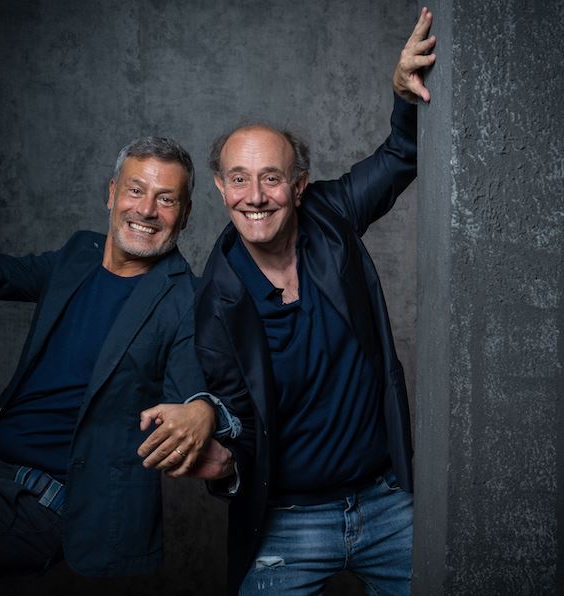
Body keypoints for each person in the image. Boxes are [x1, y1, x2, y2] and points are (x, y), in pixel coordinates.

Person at [191, 8, 437, 595]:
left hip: (389, 502)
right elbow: (238, 418)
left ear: (299, 186)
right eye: (239, 179)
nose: (256, 196)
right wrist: (223, 464)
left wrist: (404, 94)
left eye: (272, 178)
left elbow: (401, 154)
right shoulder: (216, 301)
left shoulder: (332, 215)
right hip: (289, 520)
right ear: (222, 187)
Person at [0, 136, 238, 592]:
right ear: (111, 193)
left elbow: (190, 402)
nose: (146, 210)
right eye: (135, 190)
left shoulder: (189, 299)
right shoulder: (78, 253)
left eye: (166, 199)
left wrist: (202, 411)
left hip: (48, 500)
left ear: (184, 215)